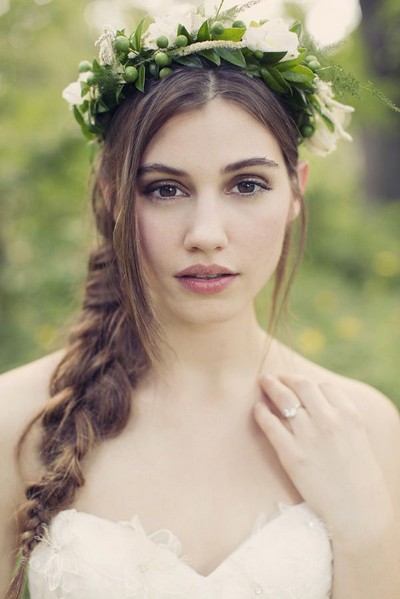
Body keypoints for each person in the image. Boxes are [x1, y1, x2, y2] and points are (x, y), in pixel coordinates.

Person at [1, 4, 399, 598]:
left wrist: (366, 536)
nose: (206, 232)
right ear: (114, 200)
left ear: (296, 192)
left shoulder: (365, 427)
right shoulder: (18, 420)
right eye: (165, 189)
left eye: (247, 185)